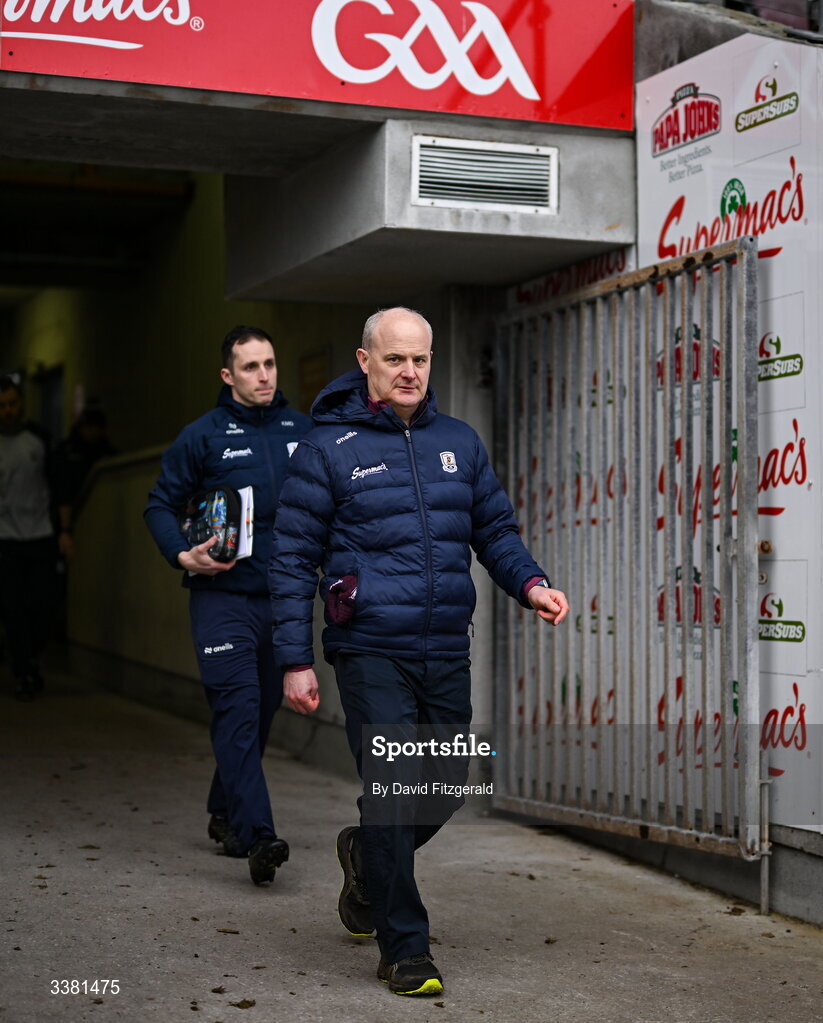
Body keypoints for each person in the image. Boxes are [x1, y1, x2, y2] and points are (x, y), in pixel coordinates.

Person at [269, 307, 569, 995]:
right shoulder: (327, 447)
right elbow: (290, 559)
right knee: (394, 788)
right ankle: (405, 948)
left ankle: (367, 859)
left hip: (443, 646)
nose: (409, 371)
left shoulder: (457, 442)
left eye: (420, 359)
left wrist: (530, 582)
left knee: (446, 784)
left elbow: (492, 528)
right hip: (369, 647)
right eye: (395, 358)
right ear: (365, 360)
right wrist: (294, 659)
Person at [144, 326, 311, 886]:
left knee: (260, 712)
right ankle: (259, 835)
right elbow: (159, 506)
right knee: (238, 710)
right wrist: (181, 555)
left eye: (269, 363)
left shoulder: (301, 431)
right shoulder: (203, 437)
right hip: (221, 600)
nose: (264, 375)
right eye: (250, 367)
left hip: (283, 598)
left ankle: (224, 809)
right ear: (228, 375)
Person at [0, 376, 58, 701]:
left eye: (12, 404)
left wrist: (64, 531)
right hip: (4, 538)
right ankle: (23, 669)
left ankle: (32, 656)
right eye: (2, 406)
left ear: (21, 404)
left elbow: (57, 484)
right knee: (13, 608)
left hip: (39, 535)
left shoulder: (39, 439)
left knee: (42, 604)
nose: (8, 411)